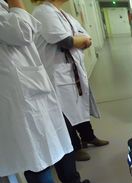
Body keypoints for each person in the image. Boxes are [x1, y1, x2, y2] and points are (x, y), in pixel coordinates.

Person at [0, 0, 91, 183]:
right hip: (17, 92)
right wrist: (16, 3)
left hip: (31, 84)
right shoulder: (21, 8)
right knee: (34, 151)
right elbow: (20, 31)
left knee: (60, 135)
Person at [31, 0, 109, 161]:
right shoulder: (43, 12)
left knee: (79, 106)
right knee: (66, 111)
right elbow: (66, 42)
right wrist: (79, 41)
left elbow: (87, 37)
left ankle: (88, 136)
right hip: (57, 72)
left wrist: (81, 40)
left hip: (71, 71)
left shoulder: (64, 14)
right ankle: (74, 147)